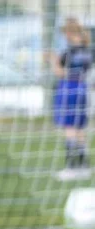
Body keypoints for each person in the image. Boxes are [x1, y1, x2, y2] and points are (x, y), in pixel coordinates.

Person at [53, 18, 92, 181]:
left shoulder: (68, 52)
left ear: (69, 33)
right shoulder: (89, 50)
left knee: (69, 127)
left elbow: (60, 72)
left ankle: (71, 167)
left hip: (69, 89)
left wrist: (53, 61)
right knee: (80, 128)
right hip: (83, 89)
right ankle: (84, 166)